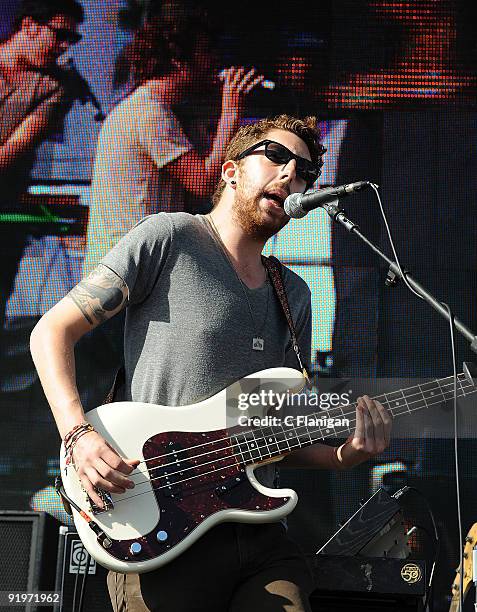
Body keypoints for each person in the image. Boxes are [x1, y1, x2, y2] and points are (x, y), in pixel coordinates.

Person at [30, 114, 392, 612]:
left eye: (306, 170)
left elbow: (270, 436)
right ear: (229, 171)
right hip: (159, 521)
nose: (292, 175)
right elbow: (52, 331)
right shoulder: (169, 238)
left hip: (260, 535)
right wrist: (77, 434)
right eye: (276, 156)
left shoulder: (296, 295)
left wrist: (340, 456)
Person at [82, 3, 263, 276]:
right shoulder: (150, 113)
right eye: (206, 52)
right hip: (129, 271)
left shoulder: (160, 110)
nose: (215, 61)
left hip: (137, 266)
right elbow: (202, 183)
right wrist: (231, 113)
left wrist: (211, 114)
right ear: (179, 59)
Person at [0, 0, 83, 380]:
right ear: (30, 25)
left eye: (73, 38)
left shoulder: (54, 87)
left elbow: (10, 154)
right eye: (60, 34)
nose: (65, 46)